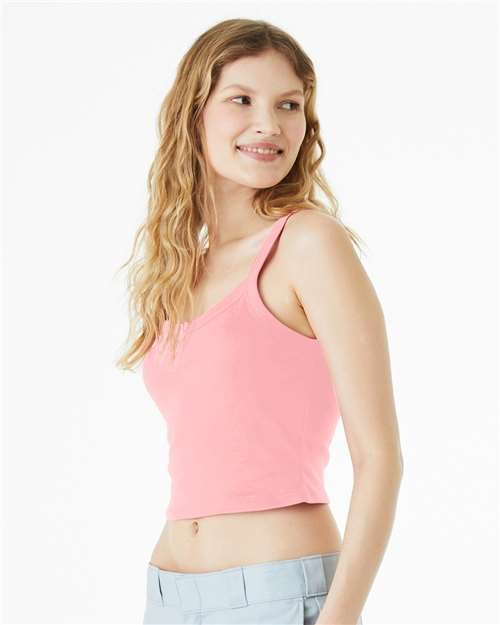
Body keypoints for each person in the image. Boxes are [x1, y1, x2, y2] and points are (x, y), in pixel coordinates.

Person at [116, 18, 404, 625]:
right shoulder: (181, 268)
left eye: (288, 105)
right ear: (194, 114)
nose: (269, 124)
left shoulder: (309, 244)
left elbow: (379, 458)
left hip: (276, 594)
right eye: (241, 100)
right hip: (167, 596)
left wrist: (340, 618)